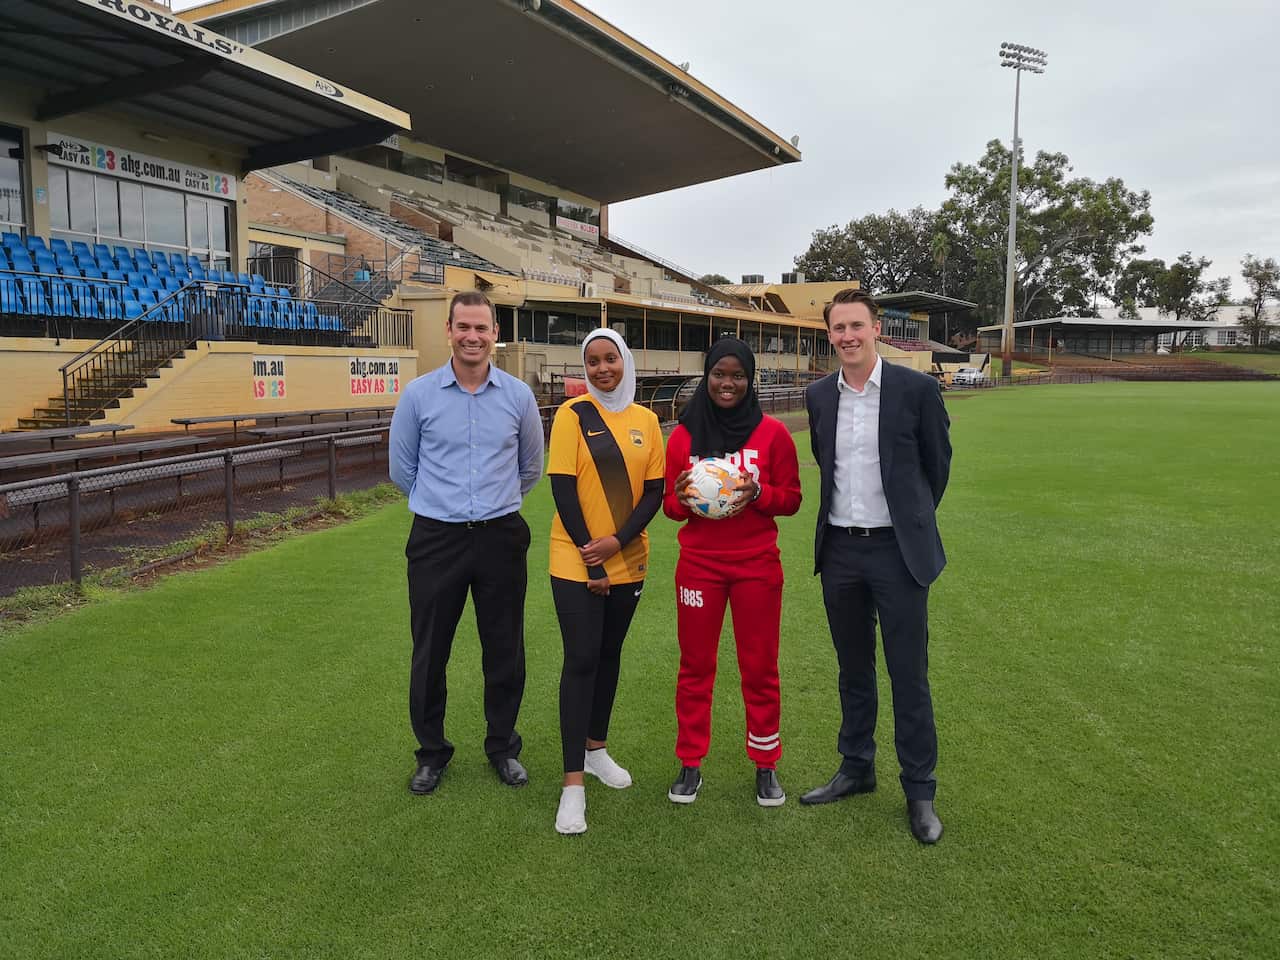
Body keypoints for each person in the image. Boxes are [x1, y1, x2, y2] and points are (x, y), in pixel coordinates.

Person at [800, 288, 952, 844]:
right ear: (830, 334)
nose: (847, 337)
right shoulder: (819, 395)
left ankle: (920, 789)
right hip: (840, 550)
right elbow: (826, 462)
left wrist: (908, 523)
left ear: (876, 330)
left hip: (898, 553)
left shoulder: (917, 390)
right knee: (853, 670)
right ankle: (856, 767)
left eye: (856, 326)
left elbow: (936, 469)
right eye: (838, 328)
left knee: (908, 674)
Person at [388, 290, 544, 796]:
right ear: (449, 331)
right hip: (437, 539)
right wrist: (445, 506)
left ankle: (502, 747)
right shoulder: (418, 396)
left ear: (495, 333)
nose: (472, 337)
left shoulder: (518, 396)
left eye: (482, 328)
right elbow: (402, 469)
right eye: (463, 327)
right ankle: (431, 753)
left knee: (504, 649)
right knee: (430, 652)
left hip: (500, 535)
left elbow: (529, 468)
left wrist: (490, 504)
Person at [663, 337, 802, 807]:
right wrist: (682, 499)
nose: (727, 383)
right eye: (719, 374)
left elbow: (792, 500)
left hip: (757, 568)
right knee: (695, 666)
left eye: (737, 375)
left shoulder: (772, 435)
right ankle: (690, 762)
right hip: (699, 569)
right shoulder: (683, 437)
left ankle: (766, 765)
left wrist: (759, 492)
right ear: (707, 376)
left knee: (759, 667)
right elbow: (669, 507)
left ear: (750, 379)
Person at [546, 328, 664, 835]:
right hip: (576, 559)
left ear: (625, 361)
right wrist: (593, 560)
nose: (601, 369)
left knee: (610, 656)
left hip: (628, 557)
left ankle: (597, 749)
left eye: (609, 359)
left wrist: (617, 544)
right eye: (592, 361)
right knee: (582, 660)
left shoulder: (648, 421)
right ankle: (573, 786)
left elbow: (654, 494)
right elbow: (562, 489)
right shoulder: (572, 416)